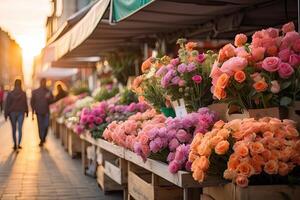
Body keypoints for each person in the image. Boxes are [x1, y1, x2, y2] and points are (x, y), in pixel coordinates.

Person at [4, 79, 28, 150]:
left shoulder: (10, 93)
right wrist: (26, 112)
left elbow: (7, 104)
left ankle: (15, 144)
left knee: (13, 129)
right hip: (21, 112)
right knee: (20, 128)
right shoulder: (23, 93)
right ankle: (19, 144)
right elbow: (25, 103)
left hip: (12, 113)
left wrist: (6, 114)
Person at [31, 78, 53, 146]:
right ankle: (41, 139)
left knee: (46, 126)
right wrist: (33, 111)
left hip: (46, 111)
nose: (44, 84)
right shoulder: (35, 91)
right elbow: (32, 102)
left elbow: (52, 101)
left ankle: (43, 137)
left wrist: (49, 97)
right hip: (39, 111)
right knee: (40, 126)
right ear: (41, 83)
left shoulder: (48, 91)